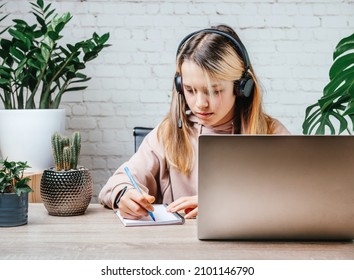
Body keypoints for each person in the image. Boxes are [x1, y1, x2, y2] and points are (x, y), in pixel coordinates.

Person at [98, 24, 290, 220]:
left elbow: (296, 197)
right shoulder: (168, 133)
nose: (200, 104)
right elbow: (116, 183)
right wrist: (124, 194)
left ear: (241, 88)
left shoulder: (271, 132)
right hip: (179, 248)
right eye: (190, 90)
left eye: (214, 91)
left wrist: (224, 203)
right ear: (180, 87)